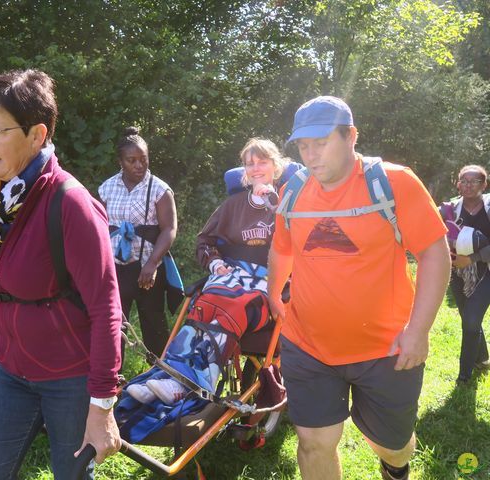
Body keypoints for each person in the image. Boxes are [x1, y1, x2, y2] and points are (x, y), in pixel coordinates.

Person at [267, 96, 451, 480]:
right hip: (308, 346)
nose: (311, 155)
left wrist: (418, 331)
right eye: (303, 146)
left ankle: (394, 465)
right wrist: (273, 292)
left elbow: (435, 253)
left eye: (321, 143)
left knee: (393, 445)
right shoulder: (295, 191)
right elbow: (282, 249)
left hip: (387, 349)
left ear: (351, 136)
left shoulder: (393, 183)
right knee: (313, 443)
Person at [0, 69, 122, 480]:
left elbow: (106, 308)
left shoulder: (71, 203)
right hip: (10, 372)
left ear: (37, 135)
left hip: (71, 378)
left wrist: (102, 403)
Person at [116, 138, 290, 442]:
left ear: (275, 167)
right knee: (206, 301)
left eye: (261, 162)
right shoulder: (233, 205)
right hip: (231, 274)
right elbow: (204, 242)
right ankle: (171, 374)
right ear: (244, 172)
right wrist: (215, 264)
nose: (255, 168)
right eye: (249, 163)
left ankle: (192, 381)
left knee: (231, 302)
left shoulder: (290, 203)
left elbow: (299, 243)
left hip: (271, 281)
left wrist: (275, 205)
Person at [98, 127, 179, 357]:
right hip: (115, 268)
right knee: (114, 325)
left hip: (147, 268)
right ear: (120, 161)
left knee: (154, 324)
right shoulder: (107, 188)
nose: (138, 165)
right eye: (131, 160)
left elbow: (169, 229)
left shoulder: (159, 190)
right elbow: (99, 227)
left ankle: (162, 376)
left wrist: (153, 264)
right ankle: (113, 379)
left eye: (143, 159)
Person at [439, 165, 490, 384]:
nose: (468, 185)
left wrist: (472, 258)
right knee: (470, 318)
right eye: (463, 181)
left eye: (474, 181)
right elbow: (435, 236)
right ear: (458, 184)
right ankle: (484, 359)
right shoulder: (449, 210)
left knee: (470, 321)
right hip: (459, 274)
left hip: (485, 271)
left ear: (484, 184)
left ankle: (464, 376)